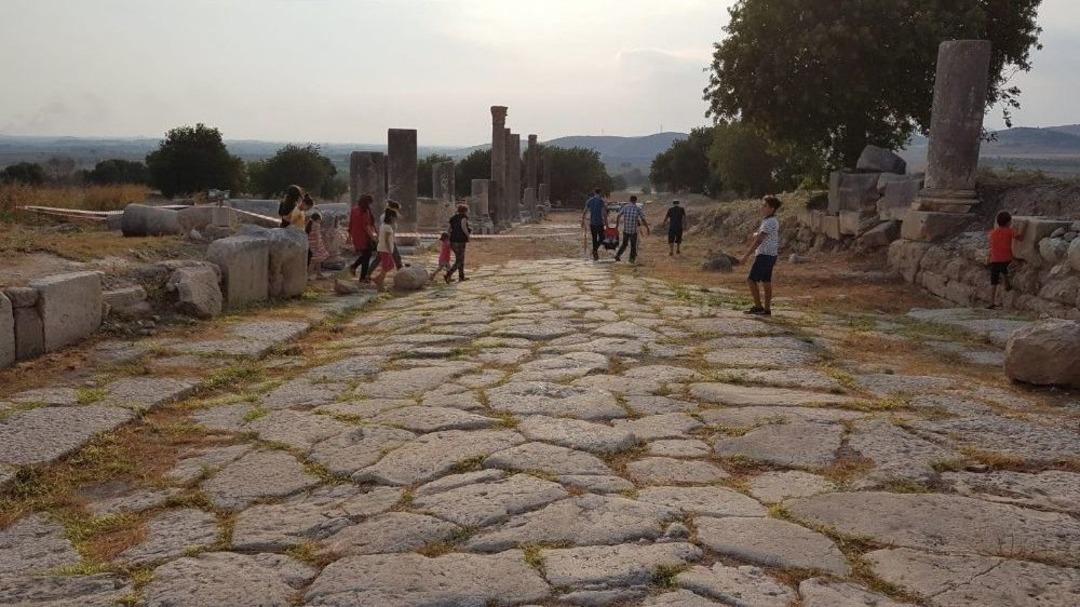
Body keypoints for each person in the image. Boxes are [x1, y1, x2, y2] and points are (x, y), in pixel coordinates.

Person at [740, 195, 782, 316]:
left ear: (772, 208)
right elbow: (761, 235)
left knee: (751, 280)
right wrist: (756, 234)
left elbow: (759, 240)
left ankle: (759, 306)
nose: (762, 208)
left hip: (765, 255)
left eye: (765, 206)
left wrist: (746, 256)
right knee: (766, 281)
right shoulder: (770, 221)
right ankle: (767, 309)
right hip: (770, 255)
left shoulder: (769, 222)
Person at [987, 211, 1025, 309]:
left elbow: (991, 245)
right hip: (1006, 258)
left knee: (993, 281)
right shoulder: (1010, 231)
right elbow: (1020, 238)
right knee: (1005, 271)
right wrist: (1024, 227)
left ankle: (991, 302)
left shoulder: (992, 233)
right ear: (1008, 222)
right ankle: (1007, 284)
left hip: (994, 259)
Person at [367, 200, 405, 274]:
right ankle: (401, 273)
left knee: (392, 258)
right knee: (392, 258)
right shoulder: (386, 217)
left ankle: (369, 274)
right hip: (387, 241)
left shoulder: (391, 215)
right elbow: (386, 232)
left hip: (390, 241)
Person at [348, 195, 378, 282]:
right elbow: (366, 227)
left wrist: (349, 236)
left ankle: (354, 267)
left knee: (366, 255)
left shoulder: (354, 210)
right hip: (364, 237)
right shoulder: (365, 212)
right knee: (367, 257)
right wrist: (373, 238)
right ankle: (362, 277)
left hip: (356, 235)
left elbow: (351, 223)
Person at [615, 195, 649, 263]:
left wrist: (617, 226)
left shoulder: (625, 207)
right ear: (635, 201)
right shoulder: (637, 208)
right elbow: (643, 219)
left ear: (630, 200)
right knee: (633, 246)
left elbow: (618, 215)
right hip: (633, 231)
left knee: (624, 244)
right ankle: (631, 260)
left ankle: (617, 255)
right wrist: (647, 227)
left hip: (626, 230)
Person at [371, 207, 398, 290]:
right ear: (391, 218)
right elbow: (386, 240)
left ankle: (378, 279)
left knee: (389, 266)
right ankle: (379, 282)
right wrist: (390, 250)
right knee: (386, 266)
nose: (395, 220)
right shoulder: (387, 228)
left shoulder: (383, 226)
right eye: (394, 218)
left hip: (383, 248)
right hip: (385, 249)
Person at [445, 204, 471, 283]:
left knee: (460, 259)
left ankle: (461, 276)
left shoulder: (453, 218)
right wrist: (468, 236)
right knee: (459, 260)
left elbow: (449, 229)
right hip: (460, 240)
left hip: (453, 240)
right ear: (465, 211)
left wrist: (448, 238)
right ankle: (448, 274)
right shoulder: (464, 218)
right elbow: (463, 227)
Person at [581, 188, 608, 261]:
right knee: (602, 238)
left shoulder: (589, 201)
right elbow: (604, 213)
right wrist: (606, 224)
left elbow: (584, 211)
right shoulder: (601, 201)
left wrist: (582, 221)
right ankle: (595, 251)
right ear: (600, 193)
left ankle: (595, 252)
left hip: (592, 223)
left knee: (594, 238)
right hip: (599, 223)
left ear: (594, 192)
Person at [306, 210, 329, 279]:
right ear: (318, 219)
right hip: (316, 244)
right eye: (320, 220)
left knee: (318, 259)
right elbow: (317, 235)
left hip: (311, 244)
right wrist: (318, 245)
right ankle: (308, 276)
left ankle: (319, 274)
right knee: (314, 261)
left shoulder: (310, 224)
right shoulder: (316, 225)